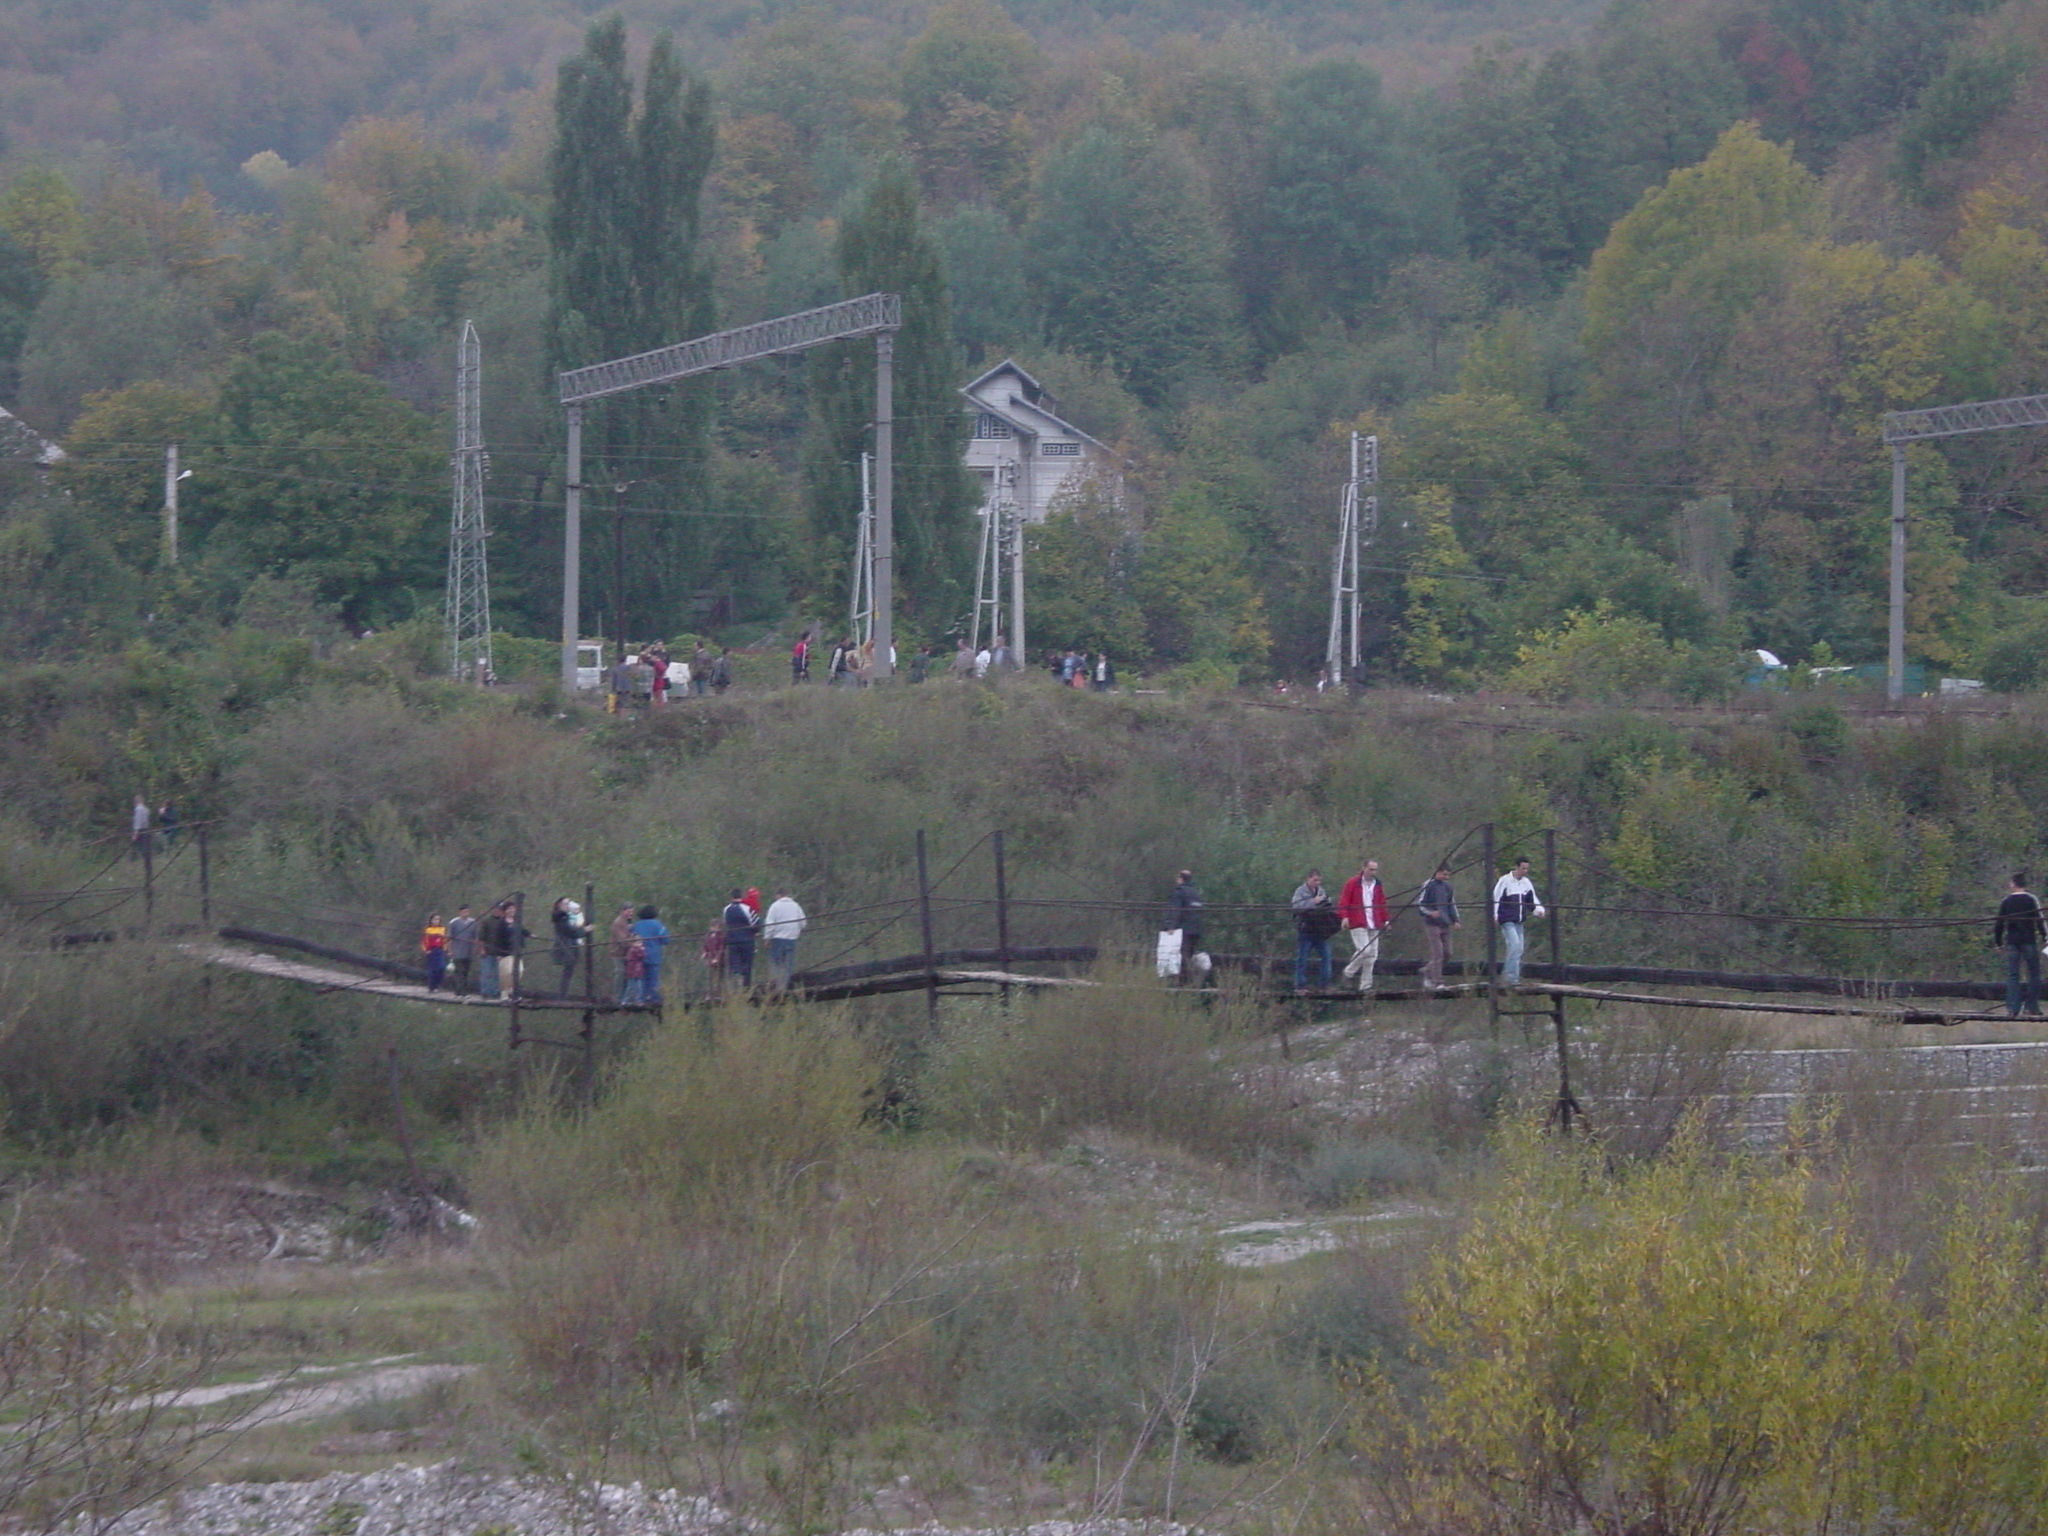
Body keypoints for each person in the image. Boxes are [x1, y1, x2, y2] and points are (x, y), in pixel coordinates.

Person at [1995, 872, 2046, 1018]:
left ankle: (2013, 1008)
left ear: (2013, 884)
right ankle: (2031, 1006)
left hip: (2012, 942)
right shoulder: (2031, 899)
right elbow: (2039, 920)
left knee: (2013, 975)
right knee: (2034, 974)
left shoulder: (2007, 901)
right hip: (2029, 940)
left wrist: (1998, 943)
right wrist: (2045, 937)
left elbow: (1999, 923)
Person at [1338, 859, 1391, 993]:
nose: (1373, 872)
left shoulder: (1377, 884)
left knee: (1372, 955)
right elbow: (1344, 901)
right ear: (1364, 868)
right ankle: (1348, 973)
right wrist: (1344, 917)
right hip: (1357, 921)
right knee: (1364, 950)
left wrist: (1385, 920)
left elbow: (1382, 903)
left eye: (1375, 870)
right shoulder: (1352, 883)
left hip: (1374, 922)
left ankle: (1366, 985)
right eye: (1371, 869)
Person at [1492, 857, 1543, 986]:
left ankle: (1514, 976)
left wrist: (1538, 910)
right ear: (1516, 867)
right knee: (1514, 945)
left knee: (1519, 949)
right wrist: (1495, 915)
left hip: (1519, 920)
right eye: (1523, 868)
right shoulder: (1505, 881)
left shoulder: (1526, 883)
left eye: (1526, 869)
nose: (1525, 871)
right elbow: (1496, 897)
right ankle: (1509, 978)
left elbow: (1532, 900)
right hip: (1507, 919)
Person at [1291, 871, 1339, 991]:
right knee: (1302, 957)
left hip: (1320, 930)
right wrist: (1313, 902)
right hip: (1306, 930)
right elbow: (1296, 907)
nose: (1317, 883)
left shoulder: (1321, 891)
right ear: (1308, 879)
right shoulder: (1300, 891)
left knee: (1326, 956)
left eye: (1319, 881)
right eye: (1315, 880)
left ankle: (1325, 984)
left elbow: (1328, 905)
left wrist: (1326, 901)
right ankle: (1300, 985)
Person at [1417, 865, 1461, 991]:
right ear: (1437, 873)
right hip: (1432, 923)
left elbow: (1451, 904)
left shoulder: (1448, 887)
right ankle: (1438, 981)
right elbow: (1420, 904)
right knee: (1438, 953)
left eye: (1448, 875)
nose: (1446, 877)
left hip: (1445, 922)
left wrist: (1455, 920)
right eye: (1444, 874)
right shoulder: (1428, 885)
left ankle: (1427, 970)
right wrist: (1430, 912)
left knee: (1448, 953)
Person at [763, 889, 807, 990]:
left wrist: (767, 938)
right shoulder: (796, 906)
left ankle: (775, 987)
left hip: (777, 939)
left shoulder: (775, 906)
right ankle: (784, 987)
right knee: (788, 965)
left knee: (776, 964)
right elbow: (803, 923)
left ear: (778, 895)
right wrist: (796, 931)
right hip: (791, 939)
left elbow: (770, 924)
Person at [631, 904, 671, 1006]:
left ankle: (641, 998)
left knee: (641, 978)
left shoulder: (636, 925)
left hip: (638, 955)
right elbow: (666, 939)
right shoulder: (657, 924)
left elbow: (631, 938)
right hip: (654, 954)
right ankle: (654, 998)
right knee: (653, 978)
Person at [1170, 870, 1204, 985]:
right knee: (1189, 954)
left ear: (1180, 879)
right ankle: (1191, 979)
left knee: (1182, 955)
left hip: (1184, 929)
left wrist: (1171, 926)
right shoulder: (1196, 893)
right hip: (1197, 929)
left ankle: (1183, 980)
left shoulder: (1179, 892)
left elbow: (1176, 910)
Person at [551, 897, 586, 998]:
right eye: (566, 904)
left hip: (569, 945)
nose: (568, 906)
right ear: (559, 905)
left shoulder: (565, 916)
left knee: (569, 970)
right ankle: (562, 994)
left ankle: (563, 993)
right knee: (567, 970)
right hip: (565, 946)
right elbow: (570, 931)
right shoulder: (560, 917)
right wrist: (585, 931)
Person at [723, 888, 758, 989]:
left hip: (732, 942)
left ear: (731, 897)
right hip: (747, 941)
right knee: (746, 967)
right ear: (741, 896)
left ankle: (733, 989)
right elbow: (757, 924)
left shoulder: (726, 909)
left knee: (734, 967)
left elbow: (726, 924)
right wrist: (752, 933)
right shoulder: (747, 908)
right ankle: (746, 989)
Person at [475, 902, 506, 999]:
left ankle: (495, 992)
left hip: (500, 953)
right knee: (487, 973)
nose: (499, 911)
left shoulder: (504, 922)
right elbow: (481, 937)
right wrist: (482, 949)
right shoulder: (486, 921)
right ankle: (485, 992)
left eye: (501, 910)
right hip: (488, 951)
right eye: (498, 909)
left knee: (497, 974)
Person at [446, 904, 479, 995]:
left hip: (468, 951)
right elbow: (449, 938)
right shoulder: (454, 922)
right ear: (460, 912)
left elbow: (475, 937)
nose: (466, 913)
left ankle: (462, 989)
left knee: (465, 971)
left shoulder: (473, 922)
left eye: (467, 911)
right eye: (464, 912)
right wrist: (450, 950)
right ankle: (460, 991)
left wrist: (476, 949)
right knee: (459, 971)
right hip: (457, 951)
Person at [610, 903, 638, 1004]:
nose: (630, 914)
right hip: (618, 953)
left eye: (632, 912)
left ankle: (626, 997)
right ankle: (617, 997)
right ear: (623, 911)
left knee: (628, 974)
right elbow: (622, 940)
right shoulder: (618, 923)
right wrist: (634, 943)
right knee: (620, 973)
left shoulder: (628, 922)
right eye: (628, 911)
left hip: (627, 953)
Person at [420, 913, 449, 992]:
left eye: (438, 919)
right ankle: (432, 986)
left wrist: (446, 949)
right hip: (431, 951)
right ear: (431, 920)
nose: (437, 921)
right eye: (435, 919)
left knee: (441, 968)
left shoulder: (442, 929)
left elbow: (445, 940)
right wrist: (426, 950)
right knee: (433, 969)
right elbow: (424, 942)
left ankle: (439, 984)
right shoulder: (428, 930)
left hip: (440, 950)